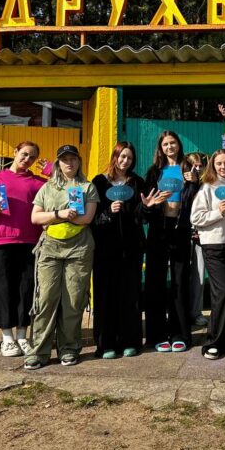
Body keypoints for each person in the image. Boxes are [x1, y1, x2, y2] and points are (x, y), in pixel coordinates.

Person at [25, 145, 99, 369]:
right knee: (46, 299)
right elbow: (35, 218)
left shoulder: (87, 187)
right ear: (58, 163)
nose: (69, 163)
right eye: (64, 159)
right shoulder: (47, 188)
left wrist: (62, 218)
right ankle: (39, 351)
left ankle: (69, 348)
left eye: (73, 159)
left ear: (79, 162)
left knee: (73, 300)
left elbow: (87, 218)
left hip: (79, 249)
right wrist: (60, 214)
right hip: (50, 249)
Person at [0, 141, 44, 358]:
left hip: (30, 241)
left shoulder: (39, 183)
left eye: (32, 157)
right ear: (15, 152)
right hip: (1, 241)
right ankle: (7, 337)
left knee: (26, 289)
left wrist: (52, 170)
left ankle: (22, 335)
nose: (27, 160)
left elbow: (61, 192)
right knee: (3, 289)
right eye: (24, 154)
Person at [90, 141, 149, 359]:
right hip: (105, 249)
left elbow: (141, 217)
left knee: (130, 295)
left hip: (131, 248)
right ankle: (106, 344)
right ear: (115, 156)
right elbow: (91, 217)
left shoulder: (136, 182)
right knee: (106, 295)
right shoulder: (98, 182)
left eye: (129, 158)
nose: (125, 161)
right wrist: (108, 212)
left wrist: (146, 206)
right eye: (122, 156)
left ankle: (130, 340)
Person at [144, 131, 196, 353]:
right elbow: (147, 202)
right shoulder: (154, 171)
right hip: (158, 231)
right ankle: (156, 334)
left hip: (181, 231)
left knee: (180, 280)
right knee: (155, 281)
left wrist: (194, 183)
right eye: (165, 144)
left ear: (179, 144)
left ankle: (180, 334)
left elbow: (197, 200)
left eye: (172, 142)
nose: (169, 147)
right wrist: (155, 203)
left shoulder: (189, 169)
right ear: (160, 147)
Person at [190, 149, 225, 360]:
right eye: (219, 163)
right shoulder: (207, 188)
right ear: (213, 165)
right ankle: (212, 342)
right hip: (213, 245)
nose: (223, 167)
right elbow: (195, 218)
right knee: (222, 293)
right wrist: (216, 213)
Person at [186, 152, 209, 329]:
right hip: (182, 236)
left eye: (200, 165)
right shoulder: (180, 184)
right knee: (181, 275)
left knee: (199, 276)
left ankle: (196, 312)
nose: (197, 168)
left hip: (201, 236)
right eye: (193, 165)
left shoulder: (207, 186)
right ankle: (181, 312)